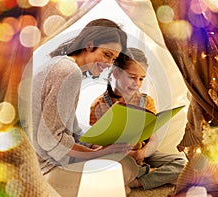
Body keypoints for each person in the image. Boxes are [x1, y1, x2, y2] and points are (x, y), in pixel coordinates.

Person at [30, 18, 139, 196]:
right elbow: (48, 139)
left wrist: (97, 142)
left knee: (127, 165)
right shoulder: (69, 72)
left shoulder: (61, 64)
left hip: (45, 162)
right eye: (107, 54)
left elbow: (69, 130)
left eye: (113, 59)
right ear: (89, 45)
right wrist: (94, 153)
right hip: (45, 171)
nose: (109, 64)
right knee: (124, 169)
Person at [89, 47, 187, 190]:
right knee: (110, 166)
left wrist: (141, 153)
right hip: (116, 156)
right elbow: (94, 145)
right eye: (132, 77)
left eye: (141, 79)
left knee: (182, 163)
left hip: (142, 154)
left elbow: (153, 140)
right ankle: (145, 172)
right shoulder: (99, 105)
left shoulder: (147, 102)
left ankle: (138, 181)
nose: (137, 83)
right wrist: (118, 152)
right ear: (116, 73)